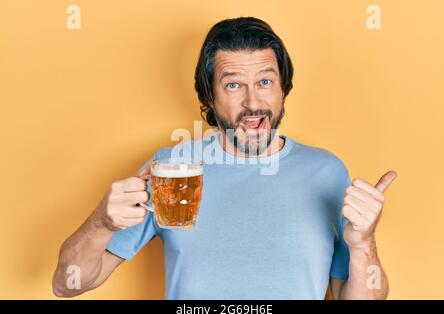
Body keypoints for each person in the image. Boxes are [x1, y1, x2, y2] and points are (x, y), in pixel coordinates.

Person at [52, 17, 397, 299]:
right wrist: (102, 223)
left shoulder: (326, 172)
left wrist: (363, 243)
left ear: (283, 88)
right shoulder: (171, 168)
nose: (252, 103)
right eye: (233, 85)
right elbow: (67, 285)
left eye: (265, 81)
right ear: (209, 96)